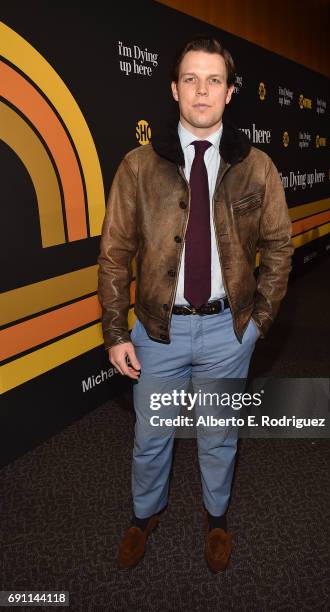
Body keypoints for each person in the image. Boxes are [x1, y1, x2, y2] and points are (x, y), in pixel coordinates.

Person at [97, 35, 294, 572]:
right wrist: (116, 332)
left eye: (213, 80)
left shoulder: (258, 167)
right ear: (173, 89)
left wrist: (259, 322)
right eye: (190, 79)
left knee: (218, 436)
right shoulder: (139, 166)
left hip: (228, 332)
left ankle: (216, 519)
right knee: (150, 436)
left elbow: (278, 247)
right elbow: (115, 253)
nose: (201, 91)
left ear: (231, 92)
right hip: (157, 331)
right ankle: (144, 516)